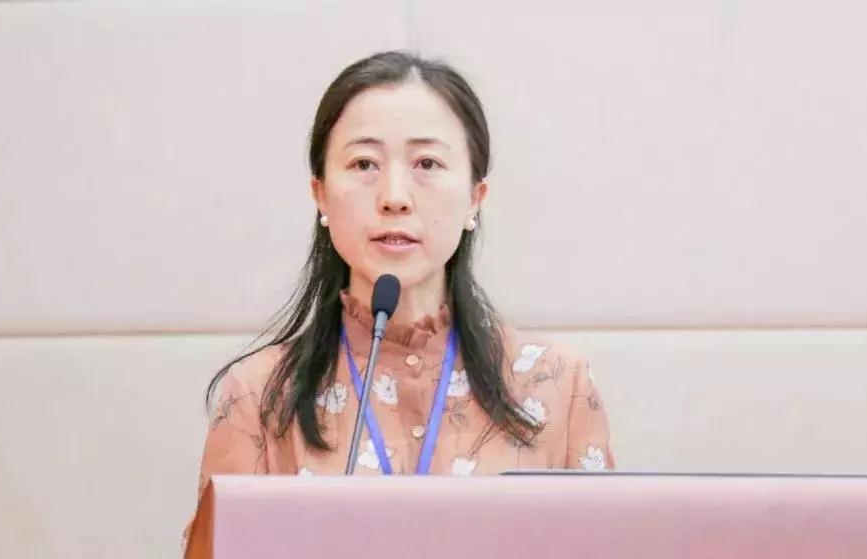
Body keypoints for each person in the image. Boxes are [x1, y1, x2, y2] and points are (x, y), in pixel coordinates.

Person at [192, 50, 614, 494]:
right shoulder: (259, 395)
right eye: (364, 164)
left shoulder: (557, 383)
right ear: (321, 195)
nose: (394, 197)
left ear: (474, 198)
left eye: (427, 164)